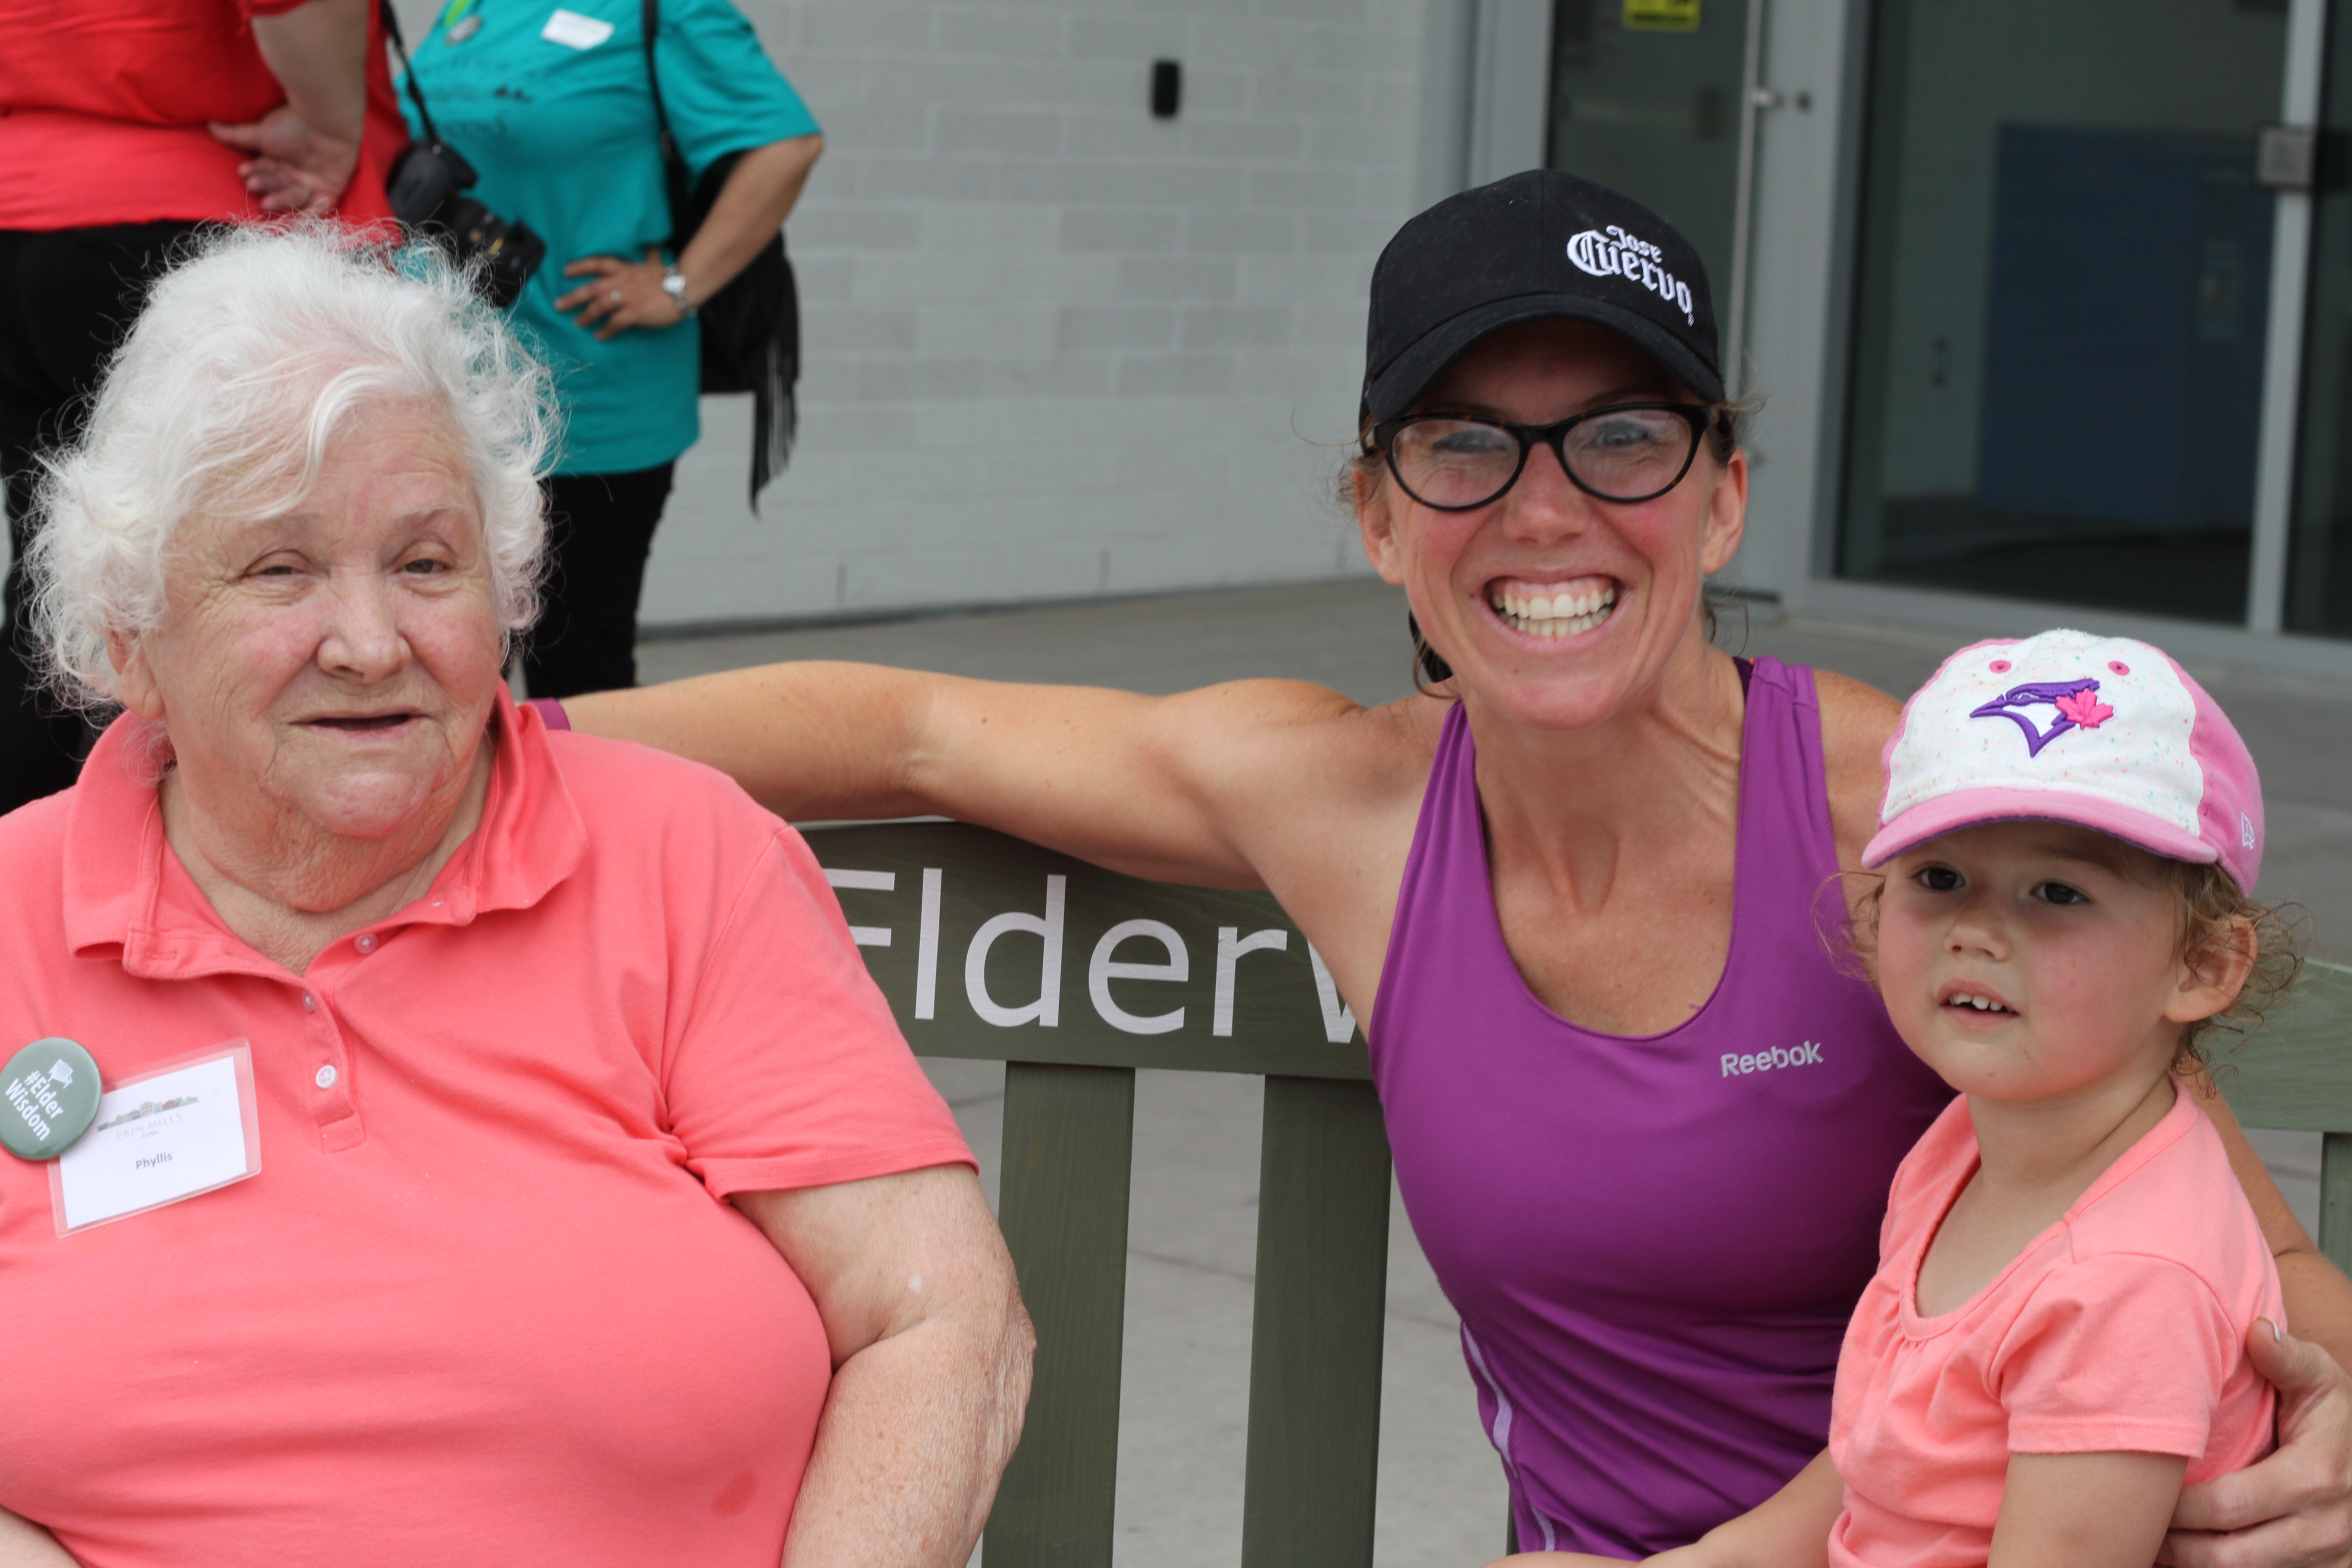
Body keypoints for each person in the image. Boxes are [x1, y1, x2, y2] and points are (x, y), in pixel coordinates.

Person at [553, 170, 2352, 1564]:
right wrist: (469, 742)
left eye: (1624, 436)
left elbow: (2234, 1253)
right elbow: (908, 728)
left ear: (1723, 493)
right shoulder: (1342, 799)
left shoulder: (1928, 822)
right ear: (1379, 514)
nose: (1547, 506)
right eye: (1466, 443)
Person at [0, 226, 1029, 1567]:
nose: (371, 644)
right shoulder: (16, 914)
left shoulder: (679, 856)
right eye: (280, 569)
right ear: (133, 639)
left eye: (427, 565)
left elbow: (936, 1318)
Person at [1510, 629, 2299, 1568]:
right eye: (1940, 879)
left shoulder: (2129, 1283)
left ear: (2204, 966)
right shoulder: (1968, 1143)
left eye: (2057, 891)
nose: (1977, 929)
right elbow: (1874, 1461)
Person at [0, 0, 389, 819]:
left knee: (50, 584)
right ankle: (162, 871)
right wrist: (331, 131)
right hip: (173, 215)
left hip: (20, 215)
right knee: (211, 577)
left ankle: (27, 879)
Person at [398, 0, 825, 699]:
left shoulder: (665, 10)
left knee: (577, 671)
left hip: (587, 401)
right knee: (451, 667)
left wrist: (678, 286)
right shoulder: (469, 6)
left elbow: (786, 147)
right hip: (444, 390)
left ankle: (577, 810)